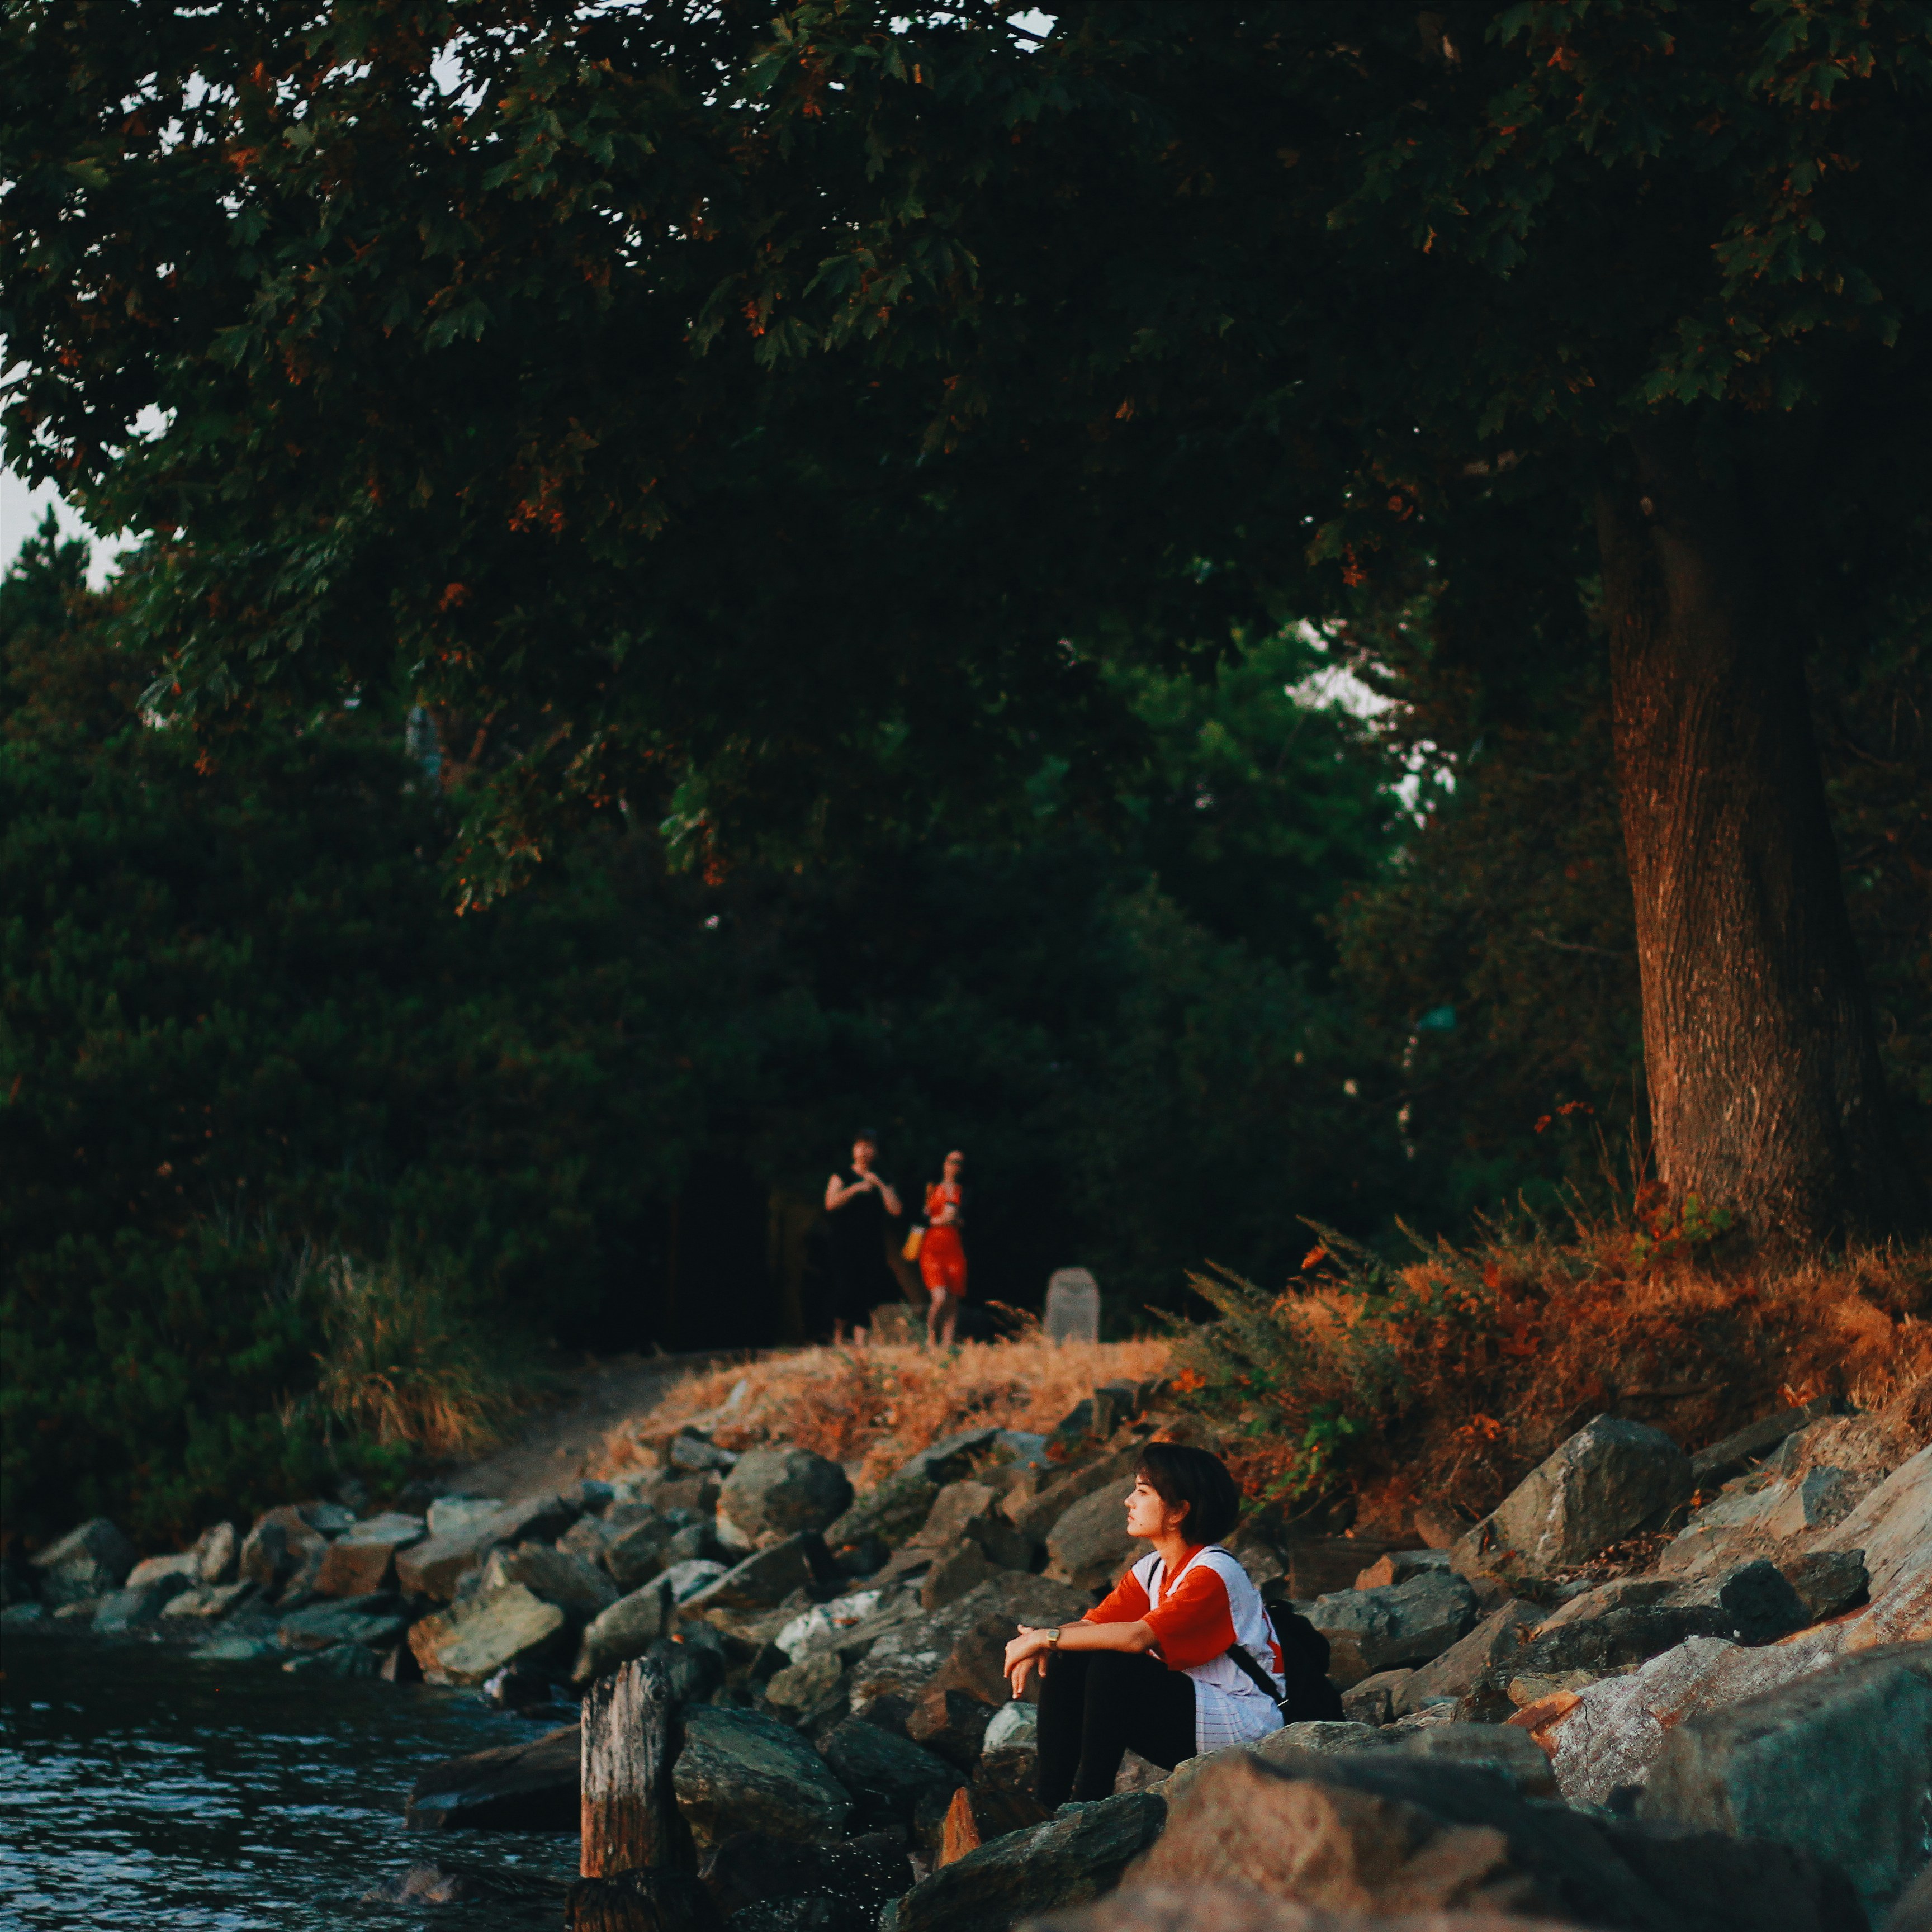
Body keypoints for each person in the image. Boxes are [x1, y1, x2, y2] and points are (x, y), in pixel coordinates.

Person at [1002, 1442, 1284, 1804]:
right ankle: (1048, 1805)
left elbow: (1137, 1638)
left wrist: (1044, 1637)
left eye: (1142, 1492)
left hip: (1248, 1721)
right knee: (1069, 1656)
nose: (1128, 1501)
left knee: (1115, 1664)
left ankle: (1089, 1806)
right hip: (1197, 1712)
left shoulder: (1215, 1572)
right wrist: (1038, 1642)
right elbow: (1090, 1628)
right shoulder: (1152, 1570)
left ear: (1178, 1511)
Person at [822, 1129, 902, 1346]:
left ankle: (860, 1342)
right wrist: (856, 1189)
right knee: (846, 1288)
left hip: (872, 1244)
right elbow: (830, 1203)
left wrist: (880, 1185)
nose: (864, 1151)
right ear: (853, 1150)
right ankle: (839, 1336)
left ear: (875, 1151)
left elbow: (896, 1210)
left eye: (869, 1147)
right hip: (844, 1243)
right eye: (860, 1146)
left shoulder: (882, 1177)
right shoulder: (842, 1175)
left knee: (868, 1290)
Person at [919, 1148, 969, 1346]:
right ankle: (930, 1337)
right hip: (932, 1247)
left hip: (954, 1247)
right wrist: (938, 1220)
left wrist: (955, 1219)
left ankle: (948, 1343)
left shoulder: (964, 1192)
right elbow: (922, 1218)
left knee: (952, 1300)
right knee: (939, 1297)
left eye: (959, 1163)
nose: (955, 1166)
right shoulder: (931, 1188)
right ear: (944, 1164)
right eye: (951, 1161)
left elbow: (968, 1218)